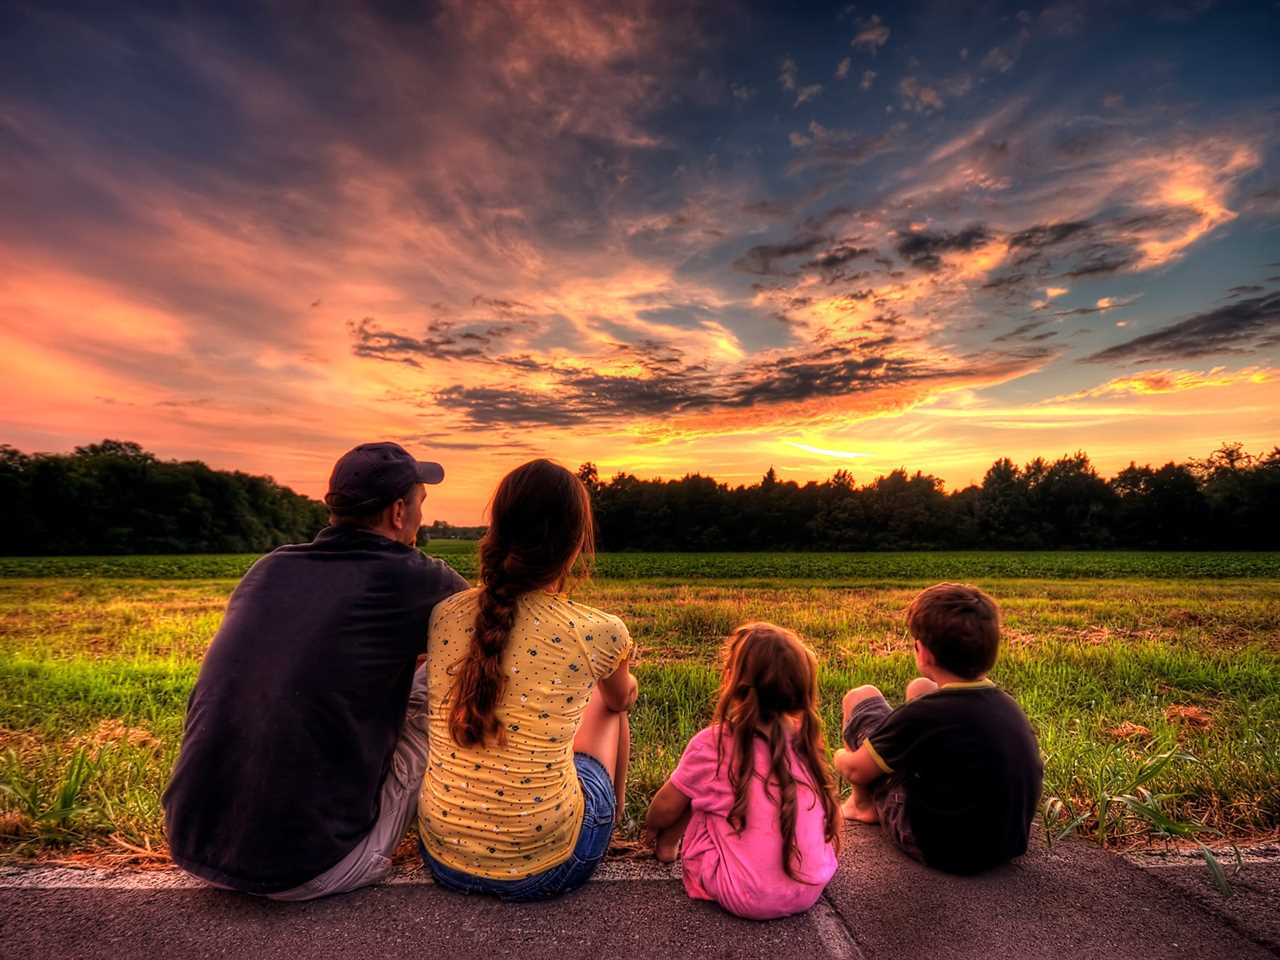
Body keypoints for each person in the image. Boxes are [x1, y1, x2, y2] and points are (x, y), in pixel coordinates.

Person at [163, 442, 468, 899]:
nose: (421, 518)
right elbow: (495, 635)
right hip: (310, 865)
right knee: (441, 686)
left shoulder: (270, 567)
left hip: (191, 841)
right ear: (400, 511)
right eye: (422, 503)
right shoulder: (418, 577)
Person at [417, 459, 637, 901]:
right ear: (575, 544)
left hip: (441, 853)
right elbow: (622, 700)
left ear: (498, 530)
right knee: (609, 708)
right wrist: (622, 672)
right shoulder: (599, 631)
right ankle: (612, 824)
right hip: (549, 863)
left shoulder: (445, 616)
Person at [834, 582, 1042, 875]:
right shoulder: (1006, 704)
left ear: (925, 653)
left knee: (861, 696)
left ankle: (861, 805)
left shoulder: (924, 716)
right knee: (922, 688)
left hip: (942, 847)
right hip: (1006, 842)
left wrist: (840, 756)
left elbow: (856, 770)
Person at [643, 623, 840, 920]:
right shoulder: (804, 738)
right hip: (810, 889)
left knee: (695, 795)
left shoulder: (714, 744)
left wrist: (653, 827)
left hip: (747, 895)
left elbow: (665, 807)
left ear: (733, 680)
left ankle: (668, 848)